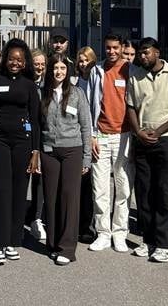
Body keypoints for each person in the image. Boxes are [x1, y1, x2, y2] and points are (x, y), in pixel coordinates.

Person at [127, 37, 168, 263]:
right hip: (142, 141)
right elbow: (131, 108)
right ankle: (148, 240)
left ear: (157, 51)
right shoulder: (135, 75)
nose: (142, 56)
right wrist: (138, 132)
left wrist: (159, 130)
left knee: (164, 192)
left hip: (166, 141)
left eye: (146, 52)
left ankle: (165, 244)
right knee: (144, 192)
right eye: (140, 53)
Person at [0, 38, 41, 265]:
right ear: (6, 60)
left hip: (23, 144)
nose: (15, 63)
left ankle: (13, 241)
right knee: (1, 190)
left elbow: (35, 120)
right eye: (12, 59)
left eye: (19, 60)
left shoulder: (29, 85)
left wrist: (35, 151)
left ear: (25, 63)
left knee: (18, 192)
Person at [35, 54, 91, 266]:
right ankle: (52, 243)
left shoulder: (77, 94)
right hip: (49, 151)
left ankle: (67, 248)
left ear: (68, 71)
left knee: (69, 198)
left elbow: (86, 126)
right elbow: (38, 126)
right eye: (55, 68)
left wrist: (86, 158)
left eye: (63, 68)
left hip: (72, 151)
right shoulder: (42, 94)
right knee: (51, 198)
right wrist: (37, 155)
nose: (59, 72)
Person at [87, 33, 134, 253]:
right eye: (108, 48)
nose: (112, 51)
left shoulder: (130, 71)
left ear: (122, 47)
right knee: (100, 187)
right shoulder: (97, 70)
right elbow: (89, 104)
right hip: (101, 135)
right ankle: (103, 232)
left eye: (116, 47)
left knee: (123, 187)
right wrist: (92, 135)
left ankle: (120, 233)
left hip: (124, 136)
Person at [75, 45, 97, 242]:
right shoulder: (75, 81)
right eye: (81, 60)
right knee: (80, 183)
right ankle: (78, 223)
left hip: (93, 136)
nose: (83, 64)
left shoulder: (97, 80)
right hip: (77, 137)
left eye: (87, 60)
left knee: (92, 184)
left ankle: (89, 226)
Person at [26, 48, 47, 241]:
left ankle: (37, 218)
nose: (39, 67)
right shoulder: (25, 83)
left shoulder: (47, 85)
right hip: (24, 135)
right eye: (36, 63)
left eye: (42, 64)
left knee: (40, 179)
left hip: (43, 136)